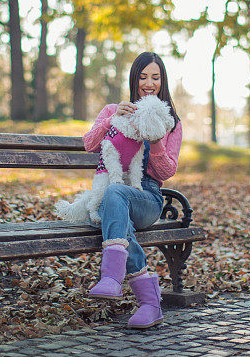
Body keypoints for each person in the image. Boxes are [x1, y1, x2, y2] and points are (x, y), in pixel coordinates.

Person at [81, 51, 183, 329]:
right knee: (115, 203)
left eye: (155, 77)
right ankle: (150, 303)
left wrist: (158, 140)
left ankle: (112, 278)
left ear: (163, 81)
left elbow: (165, 172)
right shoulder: (115, 109)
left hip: (146, 197)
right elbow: (90, 143)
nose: (149, 83)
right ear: (134, 79)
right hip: (114, 188)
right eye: (143, 76)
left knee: (115, 195)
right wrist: (111, 119)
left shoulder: (170, 121)